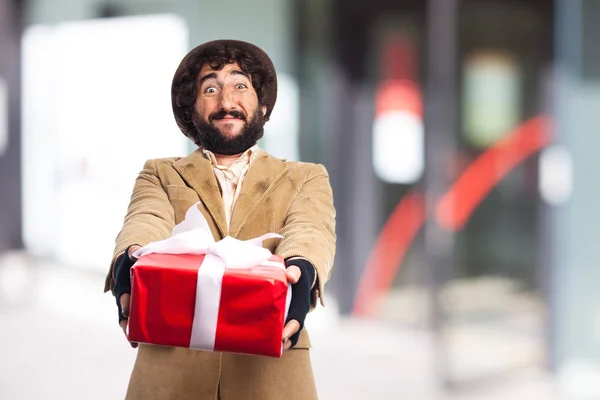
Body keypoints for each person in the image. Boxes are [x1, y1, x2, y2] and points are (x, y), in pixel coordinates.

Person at [103, 39, 336, 400]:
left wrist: (302, 269)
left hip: (270, 377)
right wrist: (129, 257)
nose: (226, 101)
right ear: (192, 108)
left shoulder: (306, 177)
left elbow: (310, 229)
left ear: (263, 103)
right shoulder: (161, 173)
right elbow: (145, 218)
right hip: (171, 375)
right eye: (210, 88)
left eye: (240, 86)